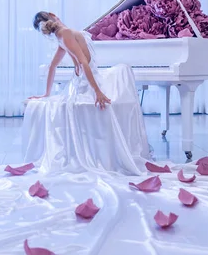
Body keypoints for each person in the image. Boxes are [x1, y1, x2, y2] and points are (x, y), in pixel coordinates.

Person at [22, 11, 149, 175]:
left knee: (121, 72)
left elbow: (53, 67)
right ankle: (105, 151)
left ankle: (107, 148)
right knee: (122, 72)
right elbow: (83, 63)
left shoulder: (62, 35)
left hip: (84, 79)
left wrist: (47, 93)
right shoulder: (65, 33)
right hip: (86, 82)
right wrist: (97, 91)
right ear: (53, 15)